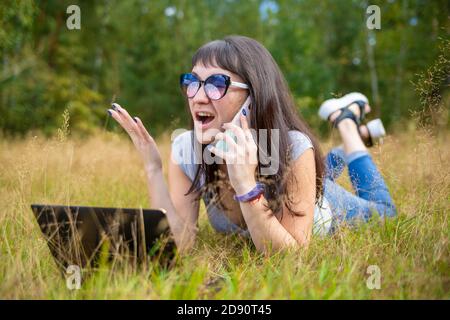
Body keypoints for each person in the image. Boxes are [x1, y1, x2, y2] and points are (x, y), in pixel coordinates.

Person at [107, 35, 396, 254]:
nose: (197, 96)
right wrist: (153, 168)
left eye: (217, 84)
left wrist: (246, 186)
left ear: (254, 97)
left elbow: (289, 255)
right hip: (300, 176)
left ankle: (347, 125)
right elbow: (181, 243)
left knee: (386, 212)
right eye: (192, 82)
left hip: (327, 205)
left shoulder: (293, 147)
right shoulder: (187, 149)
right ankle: (341, 150)